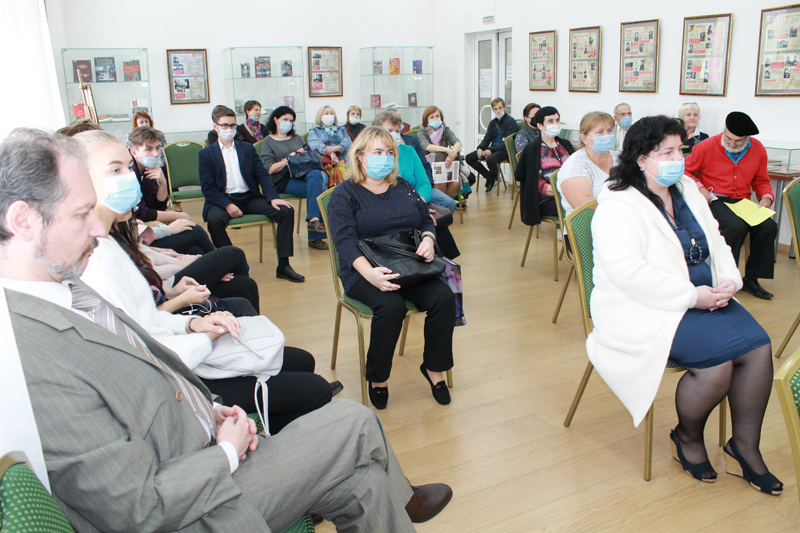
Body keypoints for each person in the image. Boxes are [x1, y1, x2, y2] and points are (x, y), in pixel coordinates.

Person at [0, 127, 453, 531]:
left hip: (197, 447)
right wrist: (226, 452)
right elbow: (138, 508)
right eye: (81, 215)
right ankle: (406, 498)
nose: (97, 231)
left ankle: (399, 497)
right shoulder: (33, 351)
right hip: (199, 506)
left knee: (364, 483)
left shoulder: (68, 290)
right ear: (23, 220)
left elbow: (141, 372)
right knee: (354, 421)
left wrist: (207, 408)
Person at [76, 129, 341, 434]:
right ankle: (259, 437)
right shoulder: (97, 258)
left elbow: (146, 321)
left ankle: (266, 414)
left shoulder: (107, 242)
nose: (129, 178)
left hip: (182, 346)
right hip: (177, 378)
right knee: (315, 388)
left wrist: (194, 324)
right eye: (115, 170)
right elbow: (147, 349)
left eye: (127, 167)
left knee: (303, 360)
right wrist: (206, 335)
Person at [588, 115, 781, 494]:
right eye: (667, 152)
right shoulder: (617, 203)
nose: (679, 159)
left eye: (681, 150)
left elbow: (717, 242)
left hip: (705, 294)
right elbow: (628, 273)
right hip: (646, 306)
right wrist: (693, 296)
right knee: (716, 368)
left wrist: (729, 280)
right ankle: (687, 437)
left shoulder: (687, 188)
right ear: (641, 158)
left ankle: (744, 447)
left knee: (759, 349)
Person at [327, 127, 456, 410]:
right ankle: (378, 377)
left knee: (444, 298)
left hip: (408, 264)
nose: (384, 158)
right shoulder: (344, 194)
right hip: (364, 269)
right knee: (391, 307)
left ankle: (434, 368)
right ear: (360, 156)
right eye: (377, 152)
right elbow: (344, 242)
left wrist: (429, 239)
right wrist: (370, 274)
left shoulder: (402, 186)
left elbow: (425, 220)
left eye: (389, 153)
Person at [198, 105, 304, 282]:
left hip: (249, 198)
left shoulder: (247, 148)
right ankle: (233, 264)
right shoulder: (206, 154)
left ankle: (283, 265)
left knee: (286, 211)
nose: (229, 129)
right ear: (215, 126)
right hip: (223, 200)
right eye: (224, 125)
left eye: (232, 125)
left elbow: (262, 175)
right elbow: (207, 188)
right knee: (214, 221)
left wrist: (273, 198)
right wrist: (227, 205)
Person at [684, 111, 777, 300]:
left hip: (742, 201)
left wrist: (766, 197)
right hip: (715, 199)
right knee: (735, 227)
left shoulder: (758, 149)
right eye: (729, 139)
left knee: (768, 226)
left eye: (738, 141)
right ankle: (725, 277)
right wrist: (700, 187)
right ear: (724, 130)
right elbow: (684, 170)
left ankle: (751, 279)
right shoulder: (707, 146)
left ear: (747, 138)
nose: (732, 144)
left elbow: (761, 180)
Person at [129, 126, 216, 256]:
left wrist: (163, 183)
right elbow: (143, 213)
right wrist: (177, 215)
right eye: (148, 149)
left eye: (157, 148)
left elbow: (158, 206)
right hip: (137, 238)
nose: (155, 154)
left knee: (195, 250)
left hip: (144, 228)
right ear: (134, 152)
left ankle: (220, 263)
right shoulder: (130, 173)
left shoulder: (149, 168)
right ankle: (222, 261)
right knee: (196, 231)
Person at [260, 106, 328, 250]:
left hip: (302, 175)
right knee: (318, 189)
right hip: (282, 180)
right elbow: (270, 169)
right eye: (285, 119)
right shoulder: (268, 141)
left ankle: (313, 220)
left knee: (316, 175)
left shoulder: (297, 138)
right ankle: (315, 235)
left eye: (291, 121)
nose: (288, 123)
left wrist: (302, 154)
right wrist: (289, 158)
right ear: (275, 119)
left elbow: (306, 159)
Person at [375, 111, 457, 215]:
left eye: (397, 131)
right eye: (390, 130)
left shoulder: (409, 151)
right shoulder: (374, 155)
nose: (394, 134)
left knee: (448, 204)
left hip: (416, 195)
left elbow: (423, 183)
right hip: (393, 202)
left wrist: (419, 202)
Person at [515, 106, 574, 227]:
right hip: (546, 199)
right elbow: (535, 184)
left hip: (570, 193)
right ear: (540, 125)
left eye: (557, 120)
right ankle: (570, 234)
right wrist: (566, 192)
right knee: (578, 206)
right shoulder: (533, 150)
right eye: (550, 121)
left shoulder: (565, 145)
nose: (555, 124)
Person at [557, 111, 619, 218]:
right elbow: (583, 204)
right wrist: (624, 206)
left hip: (620, 218)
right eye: (600, 132)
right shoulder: (575, 165)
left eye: (609, 130)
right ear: (584, 138)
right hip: (588, 223)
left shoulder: (619, 158)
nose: (607, 135)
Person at [465, 97, 517, 193]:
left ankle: (492, 177)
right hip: (493, 148)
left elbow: (507, 142)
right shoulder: (493, 123)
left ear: (504, 108)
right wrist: (480, 148)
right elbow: (487, 138)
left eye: (500, 108)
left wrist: (491, 150)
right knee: (469, 158)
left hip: (505, 150)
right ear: (493, 110)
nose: (498, 111)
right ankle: (490, 177)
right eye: (495, 109)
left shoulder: (511, 122)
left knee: (491, 160)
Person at [417, 106, 463, 204]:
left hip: (445, 164)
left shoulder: (445, 130)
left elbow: (458, 143)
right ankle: (442, 205)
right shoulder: (422, 131)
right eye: (431, 117)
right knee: (440, 179)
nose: (435, 119)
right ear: (426, 120)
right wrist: (447, 150)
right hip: (429, 165)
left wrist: (451, 156)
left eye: (437, 116)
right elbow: (427, 147)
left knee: (456, 182)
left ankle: (443, 204)